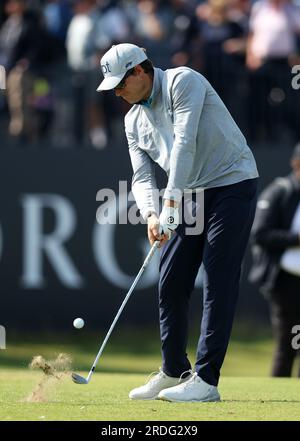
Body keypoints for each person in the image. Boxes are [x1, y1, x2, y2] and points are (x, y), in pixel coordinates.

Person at [97, 43, 259, 402]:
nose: (118, 93)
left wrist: (170, 204)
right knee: (171, 281)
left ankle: (206, 380)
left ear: (140, 70)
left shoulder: (183, 82)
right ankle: (174, 370)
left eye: (121, 84)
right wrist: (153, 214)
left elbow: (185, 144)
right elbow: (141, 177)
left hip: (232, 182)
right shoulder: (132, 121)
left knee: (218, 279)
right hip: (189, 193)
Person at [249, 143, 300, 377]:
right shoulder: (280, 191)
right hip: (284, 282)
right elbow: (260, 234)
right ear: (295, 163)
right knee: (287, 344)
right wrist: (295, 239)